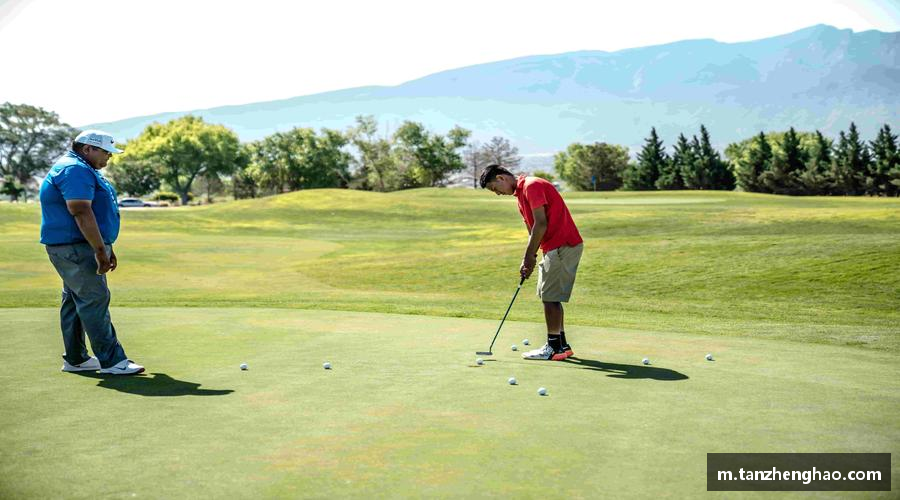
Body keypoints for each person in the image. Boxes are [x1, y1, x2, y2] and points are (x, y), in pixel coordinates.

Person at [39, 130, 144, 375]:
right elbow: (80, 211)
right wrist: (99, 250)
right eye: (106, 152)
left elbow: (96, 212)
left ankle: (77, 359)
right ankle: (112, 361)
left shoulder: (81, 168)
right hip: (76, 247)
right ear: (88, 149)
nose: (109, 157)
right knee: (94, 299)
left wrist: (107, 245)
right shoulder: (74, 170)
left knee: (75, 301)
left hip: (78, 245)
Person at [480, 164, 584, 361]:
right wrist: (530, 257)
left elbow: (541, 223)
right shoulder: (520, 195)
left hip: (562, 244)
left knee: (550, 298)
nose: (497, 194)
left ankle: (553, 348)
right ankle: (561, 345)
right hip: (553, 247)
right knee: (549, 296)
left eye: (495, 188)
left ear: (502, 178)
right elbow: (532, 229)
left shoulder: (531, 185)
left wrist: (528, 257)